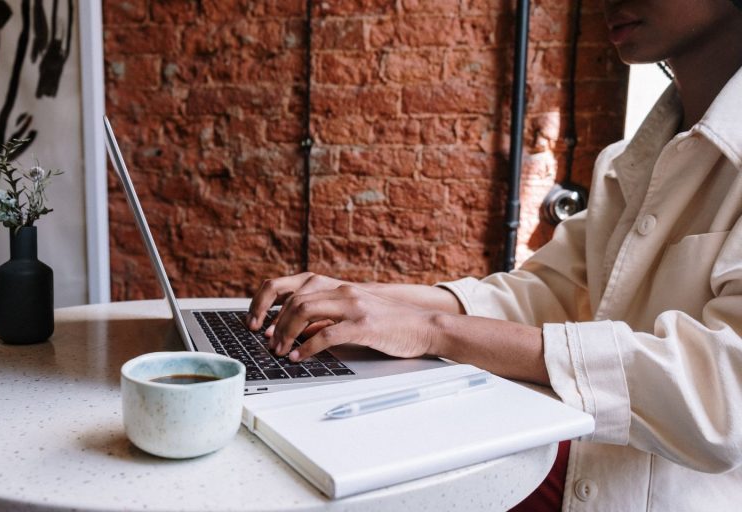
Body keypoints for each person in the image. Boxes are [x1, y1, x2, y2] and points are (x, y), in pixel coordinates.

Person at [245, 0, 742, 509]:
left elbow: (721, 403)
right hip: (586, 468)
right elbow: (549, 293)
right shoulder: (631, 160)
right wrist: (365, 300)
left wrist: (431, 330)